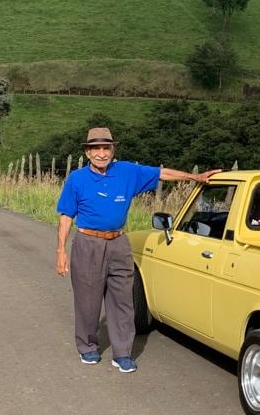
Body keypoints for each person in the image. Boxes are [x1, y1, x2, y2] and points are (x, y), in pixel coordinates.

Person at [55, 127, 220, 373]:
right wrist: (61, 250)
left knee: (123, 299)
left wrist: (195, 177)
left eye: (106, 148)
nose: (102, 153)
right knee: (87, 301)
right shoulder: (77, 179)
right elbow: (66, 215)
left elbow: (162, 173)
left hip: (119, 242)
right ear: (87, 152)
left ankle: (122, 353)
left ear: (113, 150)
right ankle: (88, 346)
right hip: (88, 243)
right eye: (96, 148)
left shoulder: (127, 172)